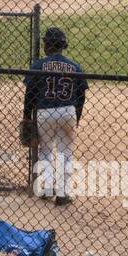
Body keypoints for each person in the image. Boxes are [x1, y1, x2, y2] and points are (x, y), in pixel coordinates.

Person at [23, 27, 88, 205]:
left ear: (47, 46)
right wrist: (77, 117)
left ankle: (47, 189)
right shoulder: (75, 66)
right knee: (65, 153)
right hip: (68, 111)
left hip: (44, 113)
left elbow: (30, 94)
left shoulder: (39, 65)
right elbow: (81, 97)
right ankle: (62, 194)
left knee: (45, 151)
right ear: (63, 45)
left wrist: (26, 116)